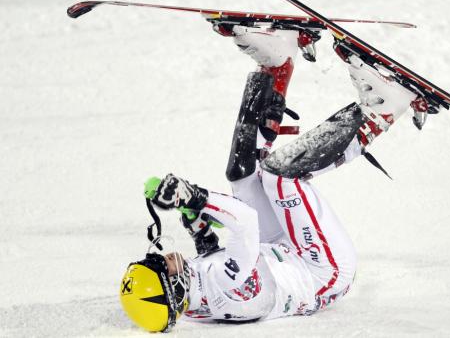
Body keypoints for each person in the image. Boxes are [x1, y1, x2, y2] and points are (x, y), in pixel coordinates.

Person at [118, 24, 431, 332]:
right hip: (324, 270)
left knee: (242, 176)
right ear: (172, 286)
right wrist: (194, 196)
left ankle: (275, 67)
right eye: (164, 265)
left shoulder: (188, 305)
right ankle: (382, 109)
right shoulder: (231, 290)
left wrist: (201, 234)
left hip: (279, 252)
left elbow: (213, 266)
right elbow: (244, 222)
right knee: (280, 178)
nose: (166, 256)